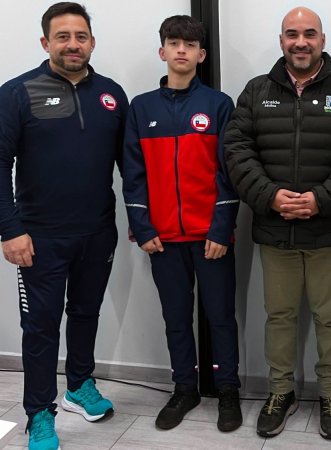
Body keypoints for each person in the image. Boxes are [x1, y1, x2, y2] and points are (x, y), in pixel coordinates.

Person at [224, 6, 331, 440]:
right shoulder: (256, 91)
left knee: (329, 317)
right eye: (292, 34)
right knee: (279, 316)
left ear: (322, 40)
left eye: (309, 34)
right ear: (281, 41)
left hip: (329, 230)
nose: (300, 42)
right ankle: (281, 392)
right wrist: (271, 197)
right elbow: (237, 151)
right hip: (275, 230)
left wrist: (319, 200)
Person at [0, 2, 128, 449]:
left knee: (86, 313)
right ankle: (39, 413)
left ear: (92, 42)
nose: (73, 44)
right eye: (63, 36)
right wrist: (9, 229)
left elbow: (129, 166)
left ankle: (78, 385)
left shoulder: (112, 95)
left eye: (81, 36)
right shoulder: (17, 93)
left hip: (98, 232)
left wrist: (142, 218)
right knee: (40, 328)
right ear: (45, 42)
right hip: (38, 238)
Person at [122, 15, 242, 433]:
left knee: (221, 316)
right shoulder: (141, 108)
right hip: (163, 239)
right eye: (174, 43)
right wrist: (143, 228)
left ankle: (228, 389)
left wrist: (221, 228)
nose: (181, 50)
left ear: (201, 55)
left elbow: (229, 173)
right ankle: (184, 388)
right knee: (175, 317)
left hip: (210, 237)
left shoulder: (219, 105)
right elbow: (132, 174)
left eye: (189, 45)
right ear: (162, 51)